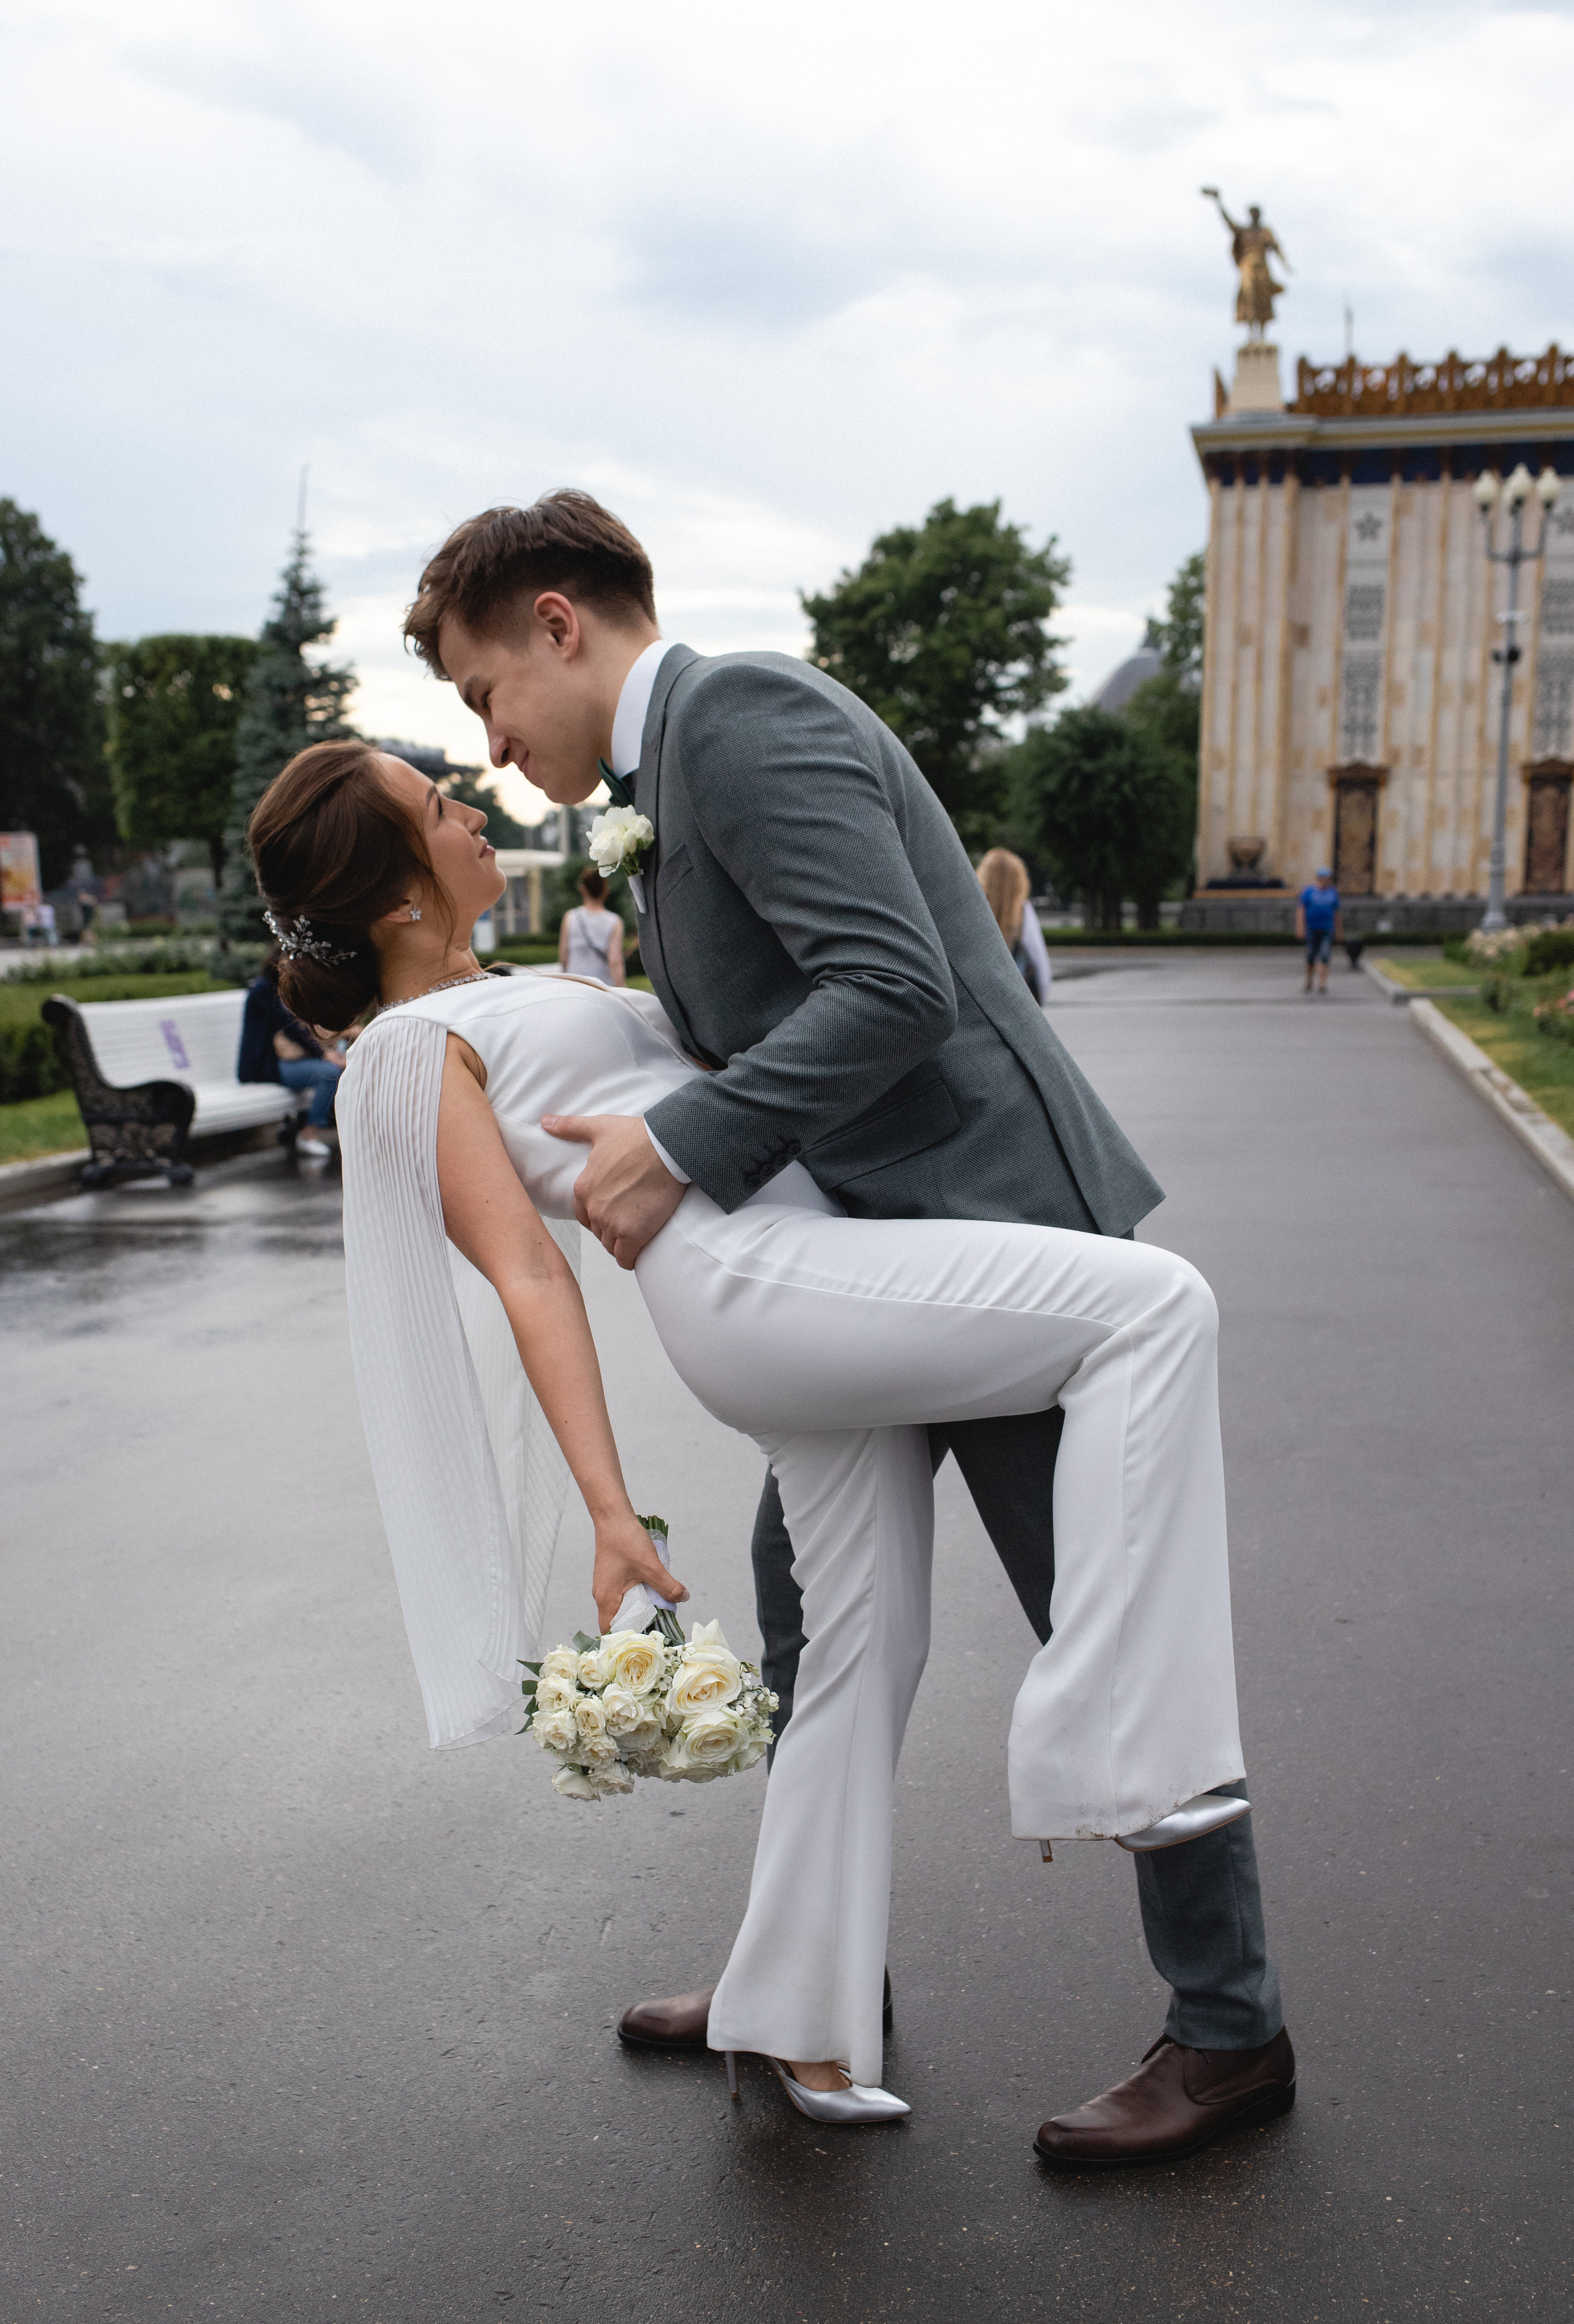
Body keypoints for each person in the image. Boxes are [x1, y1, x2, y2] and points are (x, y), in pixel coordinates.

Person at [392, 491, 1292, 2166]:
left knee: (1102, 1618)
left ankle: (1234, 2033)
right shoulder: (670, 788)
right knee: (825, 1642)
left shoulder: (743, 718)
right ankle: (806, 1985)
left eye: (480, 692)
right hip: (874, 1258)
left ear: (559, 625)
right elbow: (769, 1002)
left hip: (998, 1229)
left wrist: (687, 1143)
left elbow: (898, 986)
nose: (492, 742)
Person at [238, 948, 349, 1156]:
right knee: (329, 1073)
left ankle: (343, 1132)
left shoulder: (281, 988)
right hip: (267, 1065)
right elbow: (291, 1029)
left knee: (341, 1071)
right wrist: (323, 1054)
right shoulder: (263, 991)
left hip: (288, 1061)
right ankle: (308, 1134)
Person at [977, 847, 1051, 1004]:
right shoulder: (1023, 912)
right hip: (1015, 1004)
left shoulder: (972, 910)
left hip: (978, 1000)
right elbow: (1039, 962)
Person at [559, 865, 625, 984]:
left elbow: (564, 957)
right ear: (606, 890)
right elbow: (615, 962)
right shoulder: (615, 921)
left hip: (575, 984)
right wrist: (622, 989)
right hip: (601, 986)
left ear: (582, 889)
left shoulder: (570, 917)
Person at [1296, 866, 1341, 995]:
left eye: (1328, 878)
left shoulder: (1333, 892)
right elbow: (1301, 910)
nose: (1325, 880)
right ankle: (1309, 980)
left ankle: (1322, 983)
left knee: (1325, 955)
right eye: (1323, 878)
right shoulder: (1309, 891)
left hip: (1327, 929)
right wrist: (1300, 927)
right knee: (1311, 955)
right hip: (1311, 929)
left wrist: (1339, 931)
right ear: (1318, 878)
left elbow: (1336, 913)